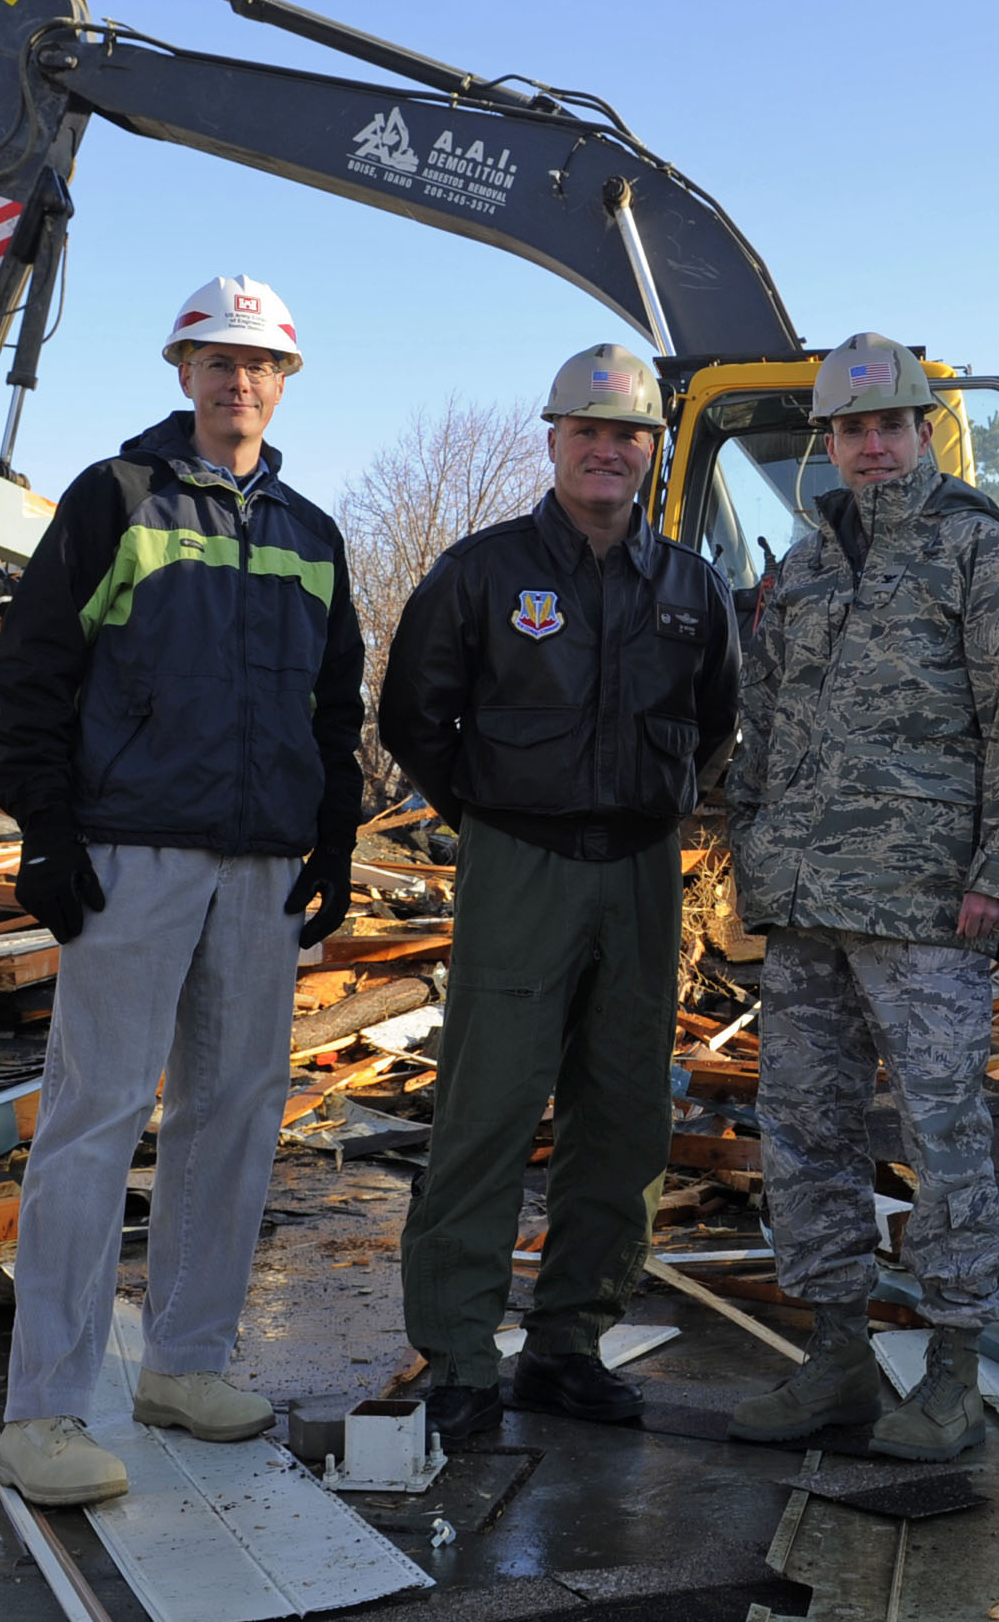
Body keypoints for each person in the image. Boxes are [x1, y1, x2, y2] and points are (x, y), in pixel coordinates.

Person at [0, 277, 366, 1506]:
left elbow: (334, 702)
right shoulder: (116, 497)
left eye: (260, 361)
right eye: (216, 357)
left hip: (261, 862)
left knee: (235, 1112)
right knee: (98, 1116)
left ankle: (185, 1364)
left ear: (285, 379)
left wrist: (334, 838)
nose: (237, 379)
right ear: (182, 368)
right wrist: (45, 829)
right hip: (134, 850)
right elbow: (38, 662)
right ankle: (45, 1407)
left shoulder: (313, 531)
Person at [379, 344, 740, 1445]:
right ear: (552, 440)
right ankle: (455, 1355)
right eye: (585, 428)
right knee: (487, 1110)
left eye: (626, 433)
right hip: (519, 866)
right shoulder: (481, 572)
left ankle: (569, 1345)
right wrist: (494, 808)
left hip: (639, 871)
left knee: (623, 1117)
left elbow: (718, 726)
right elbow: (411, 714)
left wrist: (653, 806)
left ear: (649, 451)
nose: (606, 447)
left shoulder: (691, 586)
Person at [726, 333, 999, 1463]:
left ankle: (956, 1365)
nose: (870, 446)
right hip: (808, 904)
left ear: (923, 431)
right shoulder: (808, 562)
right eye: (849, 429)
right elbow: (762, 720)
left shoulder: (976, 551)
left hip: (927, 905)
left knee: (945, 1133)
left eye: (889, 426)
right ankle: (834, 1357)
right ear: (827, 442)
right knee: (804, 1128)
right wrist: (755, 850)